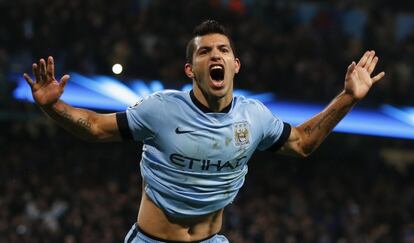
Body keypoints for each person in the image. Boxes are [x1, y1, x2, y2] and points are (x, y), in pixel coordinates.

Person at [23, 20, 385, 243]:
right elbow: (98, 129)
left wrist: (348, 97)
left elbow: (303, 143)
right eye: (205, 51)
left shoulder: (254, 117)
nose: (216, 55)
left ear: (235, 65)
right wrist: (54, 107)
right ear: (190, 68)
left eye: (224, 50)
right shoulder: (161, 109)